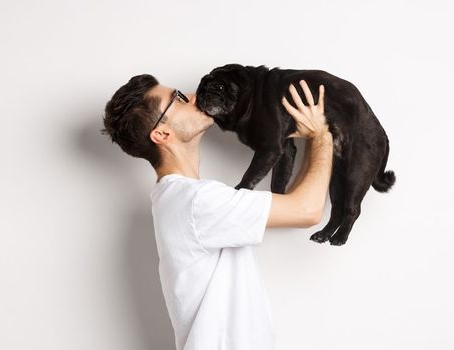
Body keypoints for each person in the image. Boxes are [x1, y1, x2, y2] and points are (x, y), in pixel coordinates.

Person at [101, 74, 333, 350]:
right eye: (179, 98)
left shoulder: (179, 200)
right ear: (162, 134)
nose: (194, 96)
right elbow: (306, 210)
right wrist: (323, 133)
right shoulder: (195, 202)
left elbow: (299, 204)